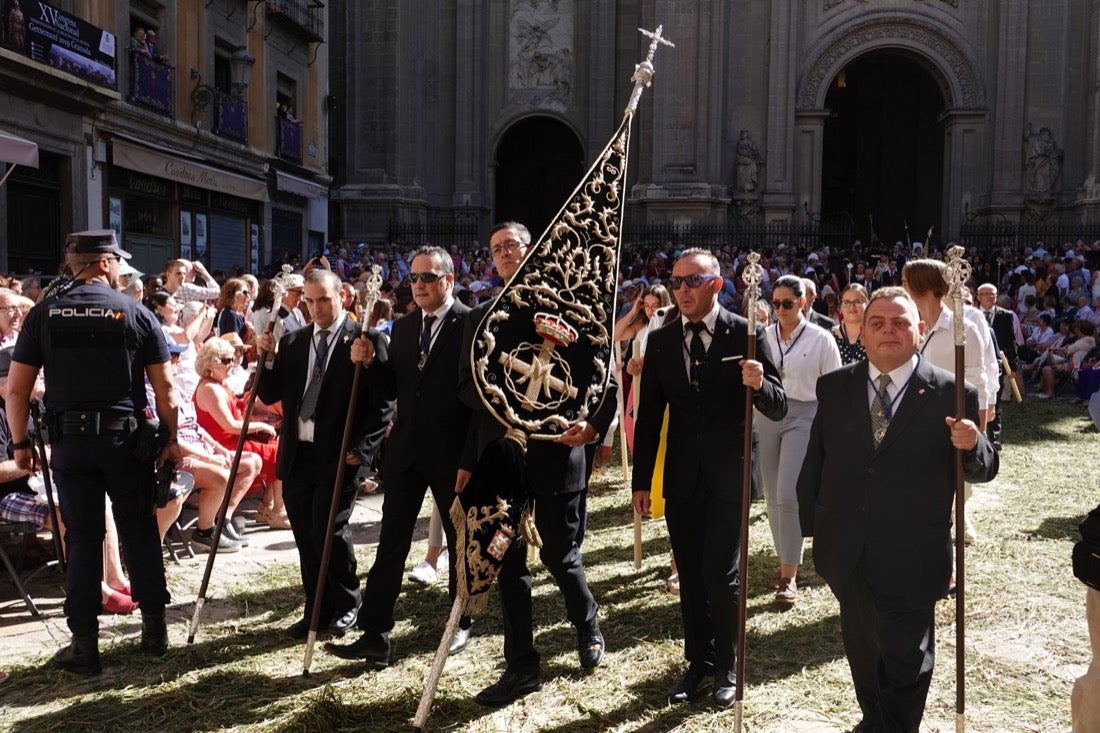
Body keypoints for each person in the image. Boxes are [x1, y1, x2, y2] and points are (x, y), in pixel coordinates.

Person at [796, 287, 998, 732]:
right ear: (861, 334)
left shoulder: (952, 392)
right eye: (878, 323)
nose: (889, 330)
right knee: (864, 652)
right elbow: (818, 459)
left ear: (920, 330)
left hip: (913, 551)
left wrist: (973, 444)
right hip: (848, 549)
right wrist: (812, 528)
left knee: (907, 659)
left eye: (901, 322)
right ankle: (875, 720)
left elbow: (985, 467)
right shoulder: (835, 386)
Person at [457, 221, 619, 707]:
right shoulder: (482, 318)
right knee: (507, 565)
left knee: (560, 557)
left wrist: (592, 430)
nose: (506, 254)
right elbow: (465, 390)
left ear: (532, 252)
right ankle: (522, 666)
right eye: (497, 249)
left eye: (513, 246)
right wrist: (489, 427)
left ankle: (587, 626)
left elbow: (603, 385)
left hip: (556, 459)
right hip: (503, 460)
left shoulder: (570, 310)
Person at [6, 230, 181, 675]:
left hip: (72, 445)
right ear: (104, 263)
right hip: (126, 442)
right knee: (139, 529)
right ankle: (155, 631)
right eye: (118, 261)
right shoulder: (137, 312)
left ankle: (84, 644)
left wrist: (22, 443)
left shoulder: (43, 314)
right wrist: (172, 439)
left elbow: (17, 389)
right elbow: (166, 392)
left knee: (83, 539)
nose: (121, 268)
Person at [632, 248, 787, 707]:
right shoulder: (660, 341)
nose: (681, 289)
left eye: (692, 281)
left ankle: (728, 668)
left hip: (729, 475)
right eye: (676, 281)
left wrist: (759, 383)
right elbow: (650, 417)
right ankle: (697, 662)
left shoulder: (746, 335)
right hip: (681, 477)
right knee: (693, 576)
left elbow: (779, 405)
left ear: (716, 285)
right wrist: (643, 481)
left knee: (722, 575)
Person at [326, 245, 473, 667]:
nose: (420, 284)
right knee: (391, 543)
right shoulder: (405, 328)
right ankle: (376, 632)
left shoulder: (469, 323)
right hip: (407, 453)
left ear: (448, 279)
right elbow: (391, 388)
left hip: (452, 454)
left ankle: (459, 621)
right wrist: (369, 362)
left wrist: (470, 456)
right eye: (413, 278)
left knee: (460, 541)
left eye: (428, 277)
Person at [254, 269, 392, 640]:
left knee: (329, 528)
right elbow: (268, 394)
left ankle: (348, 601)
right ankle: (316, 604)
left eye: (323, 299)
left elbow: (383, 402)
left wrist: (363, 449)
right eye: (309, 300)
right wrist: (264, 357)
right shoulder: (296, 341)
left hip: (339, 452)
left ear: (342, 297)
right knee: (305, 532)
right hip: (299, 451)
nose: (315, 307)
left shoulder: (365, 338)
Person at [758, 275, 841, 605]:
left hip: (806, 413)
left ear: (804, 302)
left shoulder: (821, 339)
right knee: (770, 494)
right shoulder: (764, 336)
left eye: (787, 304)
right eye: (775, 303)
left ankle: (789, 576)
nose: (780, 310)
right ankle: (785, 561)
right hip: (768, 413)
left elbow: (833, 388)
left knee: (787, 492)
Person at [192, 338, 287, 532]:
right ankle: (274, 511)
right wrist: (260, 425)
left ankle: (270, 508)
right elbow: (231, 426)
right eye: (226, 360)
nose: (233, 363)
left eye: (232, 358)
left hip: (232, 440)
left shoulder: (218, 385)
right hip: (222, 444)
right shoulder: (210, 389)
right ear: (210, 363)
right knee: (277, 453)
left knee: (277, 448)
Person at [835, 283, 870, 364]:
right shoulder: (829, 337)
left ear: (868, 304)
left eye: (858, 302)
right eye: (846, 302)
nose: (852, 307)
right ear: (840, 307)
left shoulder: (876, 335)